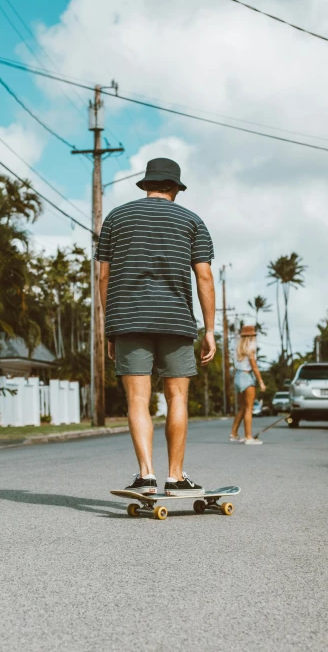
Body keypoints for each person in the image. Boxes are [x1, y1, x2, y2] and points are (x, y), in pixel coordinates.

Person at [96, 157, 216, 496]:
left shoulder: (116, 218)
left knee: (138, 399)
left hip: (128, 319)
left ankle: (146, 475)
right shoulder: (192, 221)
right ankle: (175, 478)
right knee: (176, 397)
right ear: (175, 188)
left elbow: (103, 275)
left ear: (146, 185)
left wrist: (110, 326)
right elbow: (204, 275)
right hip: (176, 321)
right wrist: (209, 329)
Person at [229, 325, 267, 445]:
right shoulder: (250, 348)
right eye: (253, 335)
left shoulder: (238, 348)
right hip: (246, 377)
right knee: (249, 409)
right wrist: (261, 381)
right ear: (251, 336)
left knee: (242, 408)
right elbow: (254, 367)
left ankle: (233, 434)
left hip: (238, 377)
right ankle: (248, 437)